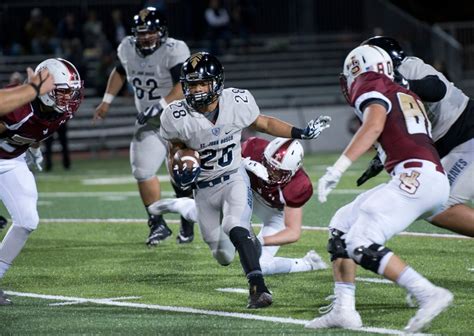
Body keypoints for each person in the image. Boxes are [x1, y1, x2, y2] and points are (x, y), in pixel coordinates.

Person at [159, 51, 331, 309]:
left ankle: (258, 287)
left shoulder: (237, 101)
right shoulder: (175, 115)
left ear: (217, 83)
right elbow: (174, 150)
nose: (196, 90)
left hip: (232, 177)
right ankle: (212, 222)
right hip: (203, 189)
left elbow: (264, 123)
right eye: (192, 84)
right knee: (224, 255)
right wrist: (178, 168)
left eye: (202, 83)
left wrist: (299, 132)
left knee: (236, 225)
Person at [306, 45, 452, 333]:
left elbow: (373, 126)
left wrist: (337, 169)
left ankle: (427, 292)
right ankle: (343, 310)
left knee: (360, 241)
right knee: (341, 225)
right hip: (424, 176)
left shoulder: (370, 82)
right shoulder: (403, 90)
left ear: (358, 68)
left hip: (416, 176)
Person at [148, 136, 328, 276]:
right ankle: (179, 204)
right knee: (210, 215)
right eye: (269, 165)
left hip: (274, 213)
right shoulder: (254, 148)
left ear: (293, 170)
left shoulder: (299, 186)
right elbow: (223, 163)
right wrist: (244, 162)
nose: (272, 172)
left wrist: (257, 242)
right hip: (248, 191)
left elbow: (292, 232)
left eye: (278, 171)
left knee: (260, 265)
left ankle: (308, 263)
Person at [93, 7, 193, 246]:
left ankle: (187, 221)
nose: (146, 37)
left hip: (177, 118)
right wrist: (106, 101)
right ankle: (157, 223)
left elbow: (183, 84)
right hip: (148, 121)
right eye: (141, 32)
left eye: (151, 32)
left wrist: (159, 105)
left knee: (181, 173)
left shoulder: (174, 49)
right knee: (142, 170)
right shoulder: (126, 47)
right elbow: (119, 71)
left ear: (162, 32)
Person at [358, 36, 474, 237]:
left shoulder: (410, 67)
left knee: (439, 206)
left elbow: (437, 89)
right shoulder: (379, 90)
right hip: (456, 143)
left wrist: (402, 83)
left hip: (466, 134)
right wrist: (380, 159)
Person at [0, 58, 83, 305]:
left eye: (72, 92)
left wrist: (35, 150)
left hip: (11, 160)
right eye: (63, 92)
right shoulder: (18, 108)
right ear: (46, 90)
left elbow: (38, 132)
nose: (69, 99)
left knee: (27, 221)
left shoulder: (60, 112)